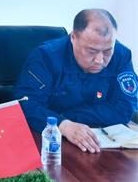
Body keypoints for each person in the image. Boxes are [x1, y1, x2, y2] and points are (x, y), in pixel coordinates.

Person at [14, 9, 137, 153]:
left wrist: (67, 116)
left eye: (107, 51)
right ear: (73, 37)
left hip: (102, 143)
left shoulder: (122, 55)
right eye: (92, 51)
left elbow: (125, 109)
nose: (99, 60)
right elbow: (25, 105)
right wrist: (63, 125)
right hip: (51, 141)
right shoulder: (46, 57)